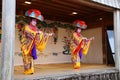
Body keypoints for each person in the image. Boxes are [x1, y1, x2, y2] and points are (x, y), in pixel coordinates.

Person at [20, 9, 44, 74]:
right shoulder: (26, 27)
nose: (34, 22)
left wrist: (42, 34)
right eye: (33, 21)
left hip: (32, 46)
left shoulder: (36, 29)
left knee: (31, 58)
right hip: (26, 45)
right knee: (26, 58)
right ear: (30, 21)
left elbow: (40, 34)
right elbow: (28, 34)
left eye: (35, 21)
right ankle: (27, 70)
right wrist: (36, 33)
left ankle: (31, 70)